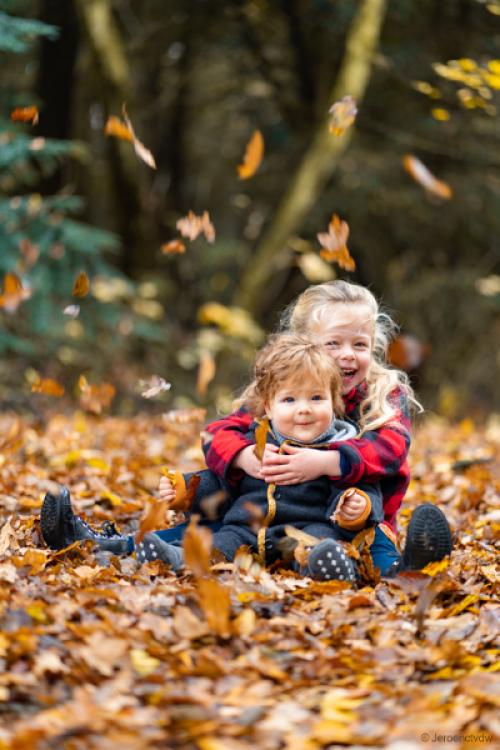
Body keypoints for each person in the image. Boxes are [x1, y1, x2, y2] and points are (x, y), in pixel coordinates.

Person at [42, 335, 385, 582]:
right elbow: (221, 484)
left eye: (315, 398)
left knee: (316, 547)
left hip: (306, 530)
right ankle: (175, 558)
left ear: (334, 402)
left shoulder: (341, 449)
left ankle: (328, 568)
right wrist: (186, 490)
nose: (304, 409)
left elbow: (367, 488)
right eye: (290, 400)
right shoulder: (256, 443)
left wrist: (357, 507)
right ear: (268, 407)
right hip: (244, 531)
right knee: (216, 545)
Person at [200, 280, 452, 573]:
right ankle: (146, 545)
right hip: (272, 517)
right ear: (304, 345)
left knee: (374, 546)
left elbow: (391, 450)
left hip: (357, 518)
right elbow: (216, 433)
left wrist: (327, 461)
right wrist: (244, 456)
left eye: (359, 344)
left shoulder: (383, 392)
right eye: (333, 343)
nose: (347, 354)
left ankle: (409, 569)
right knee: (212, 531)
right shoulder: (283, 388)